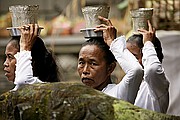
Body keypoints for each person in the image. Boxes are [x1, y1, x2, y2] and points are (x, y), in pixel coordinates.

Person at [77, 17, 143, 104]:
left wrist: (112, 43)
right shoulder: (78, 97)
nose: (85, 70)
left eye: (93, 63)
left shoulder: (117, 94)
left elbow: (136, 70)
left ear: (110, 68)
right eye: (81, 63)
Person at [126, 21, 169, 113]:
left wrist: (148, 44)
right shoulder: (132, 81)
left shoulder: (156, 83)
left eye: (134, 57)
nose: (129, 61)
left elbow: (152, 70)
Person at [3, 24, 62, 91]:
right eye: (7, 57)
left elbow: (23, 81)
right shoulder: (16, 89)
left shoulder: (39, 87)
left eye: (10, 57)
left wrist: (25, 47)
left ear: (31, 61)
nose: (5, 63)